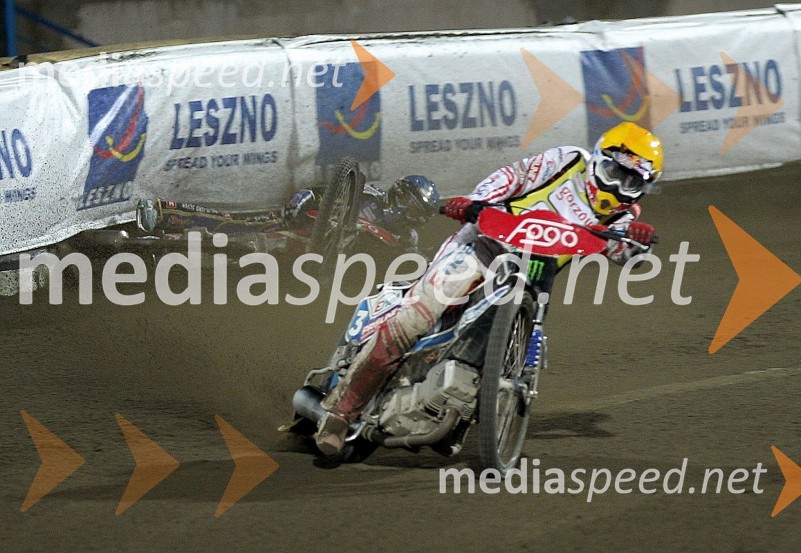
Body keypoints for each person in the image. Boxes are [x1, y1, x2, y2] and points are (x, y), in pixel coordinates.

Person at [315, 121, 664, 456]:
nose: (618, 187)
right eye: (616, 173)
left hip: (533, 276)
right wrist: (477, 201)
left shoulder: (622, 218)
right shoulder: (569, 161)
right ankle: (340, 413)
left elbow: (623, 253)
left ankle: (458, 410)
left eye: (631, 183)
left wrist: (639, 244)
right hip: (481, 247)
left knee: (507, 344)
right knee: (415, 320)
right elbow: (513, 177)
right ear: (600, 158)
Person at [135, 175, 440, 254]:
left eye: (414, 210)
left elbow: (405, 272)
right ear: (395, 191)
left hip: (331, 277)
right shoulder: (367, 193)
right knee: (241, 226)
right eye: (404, 199)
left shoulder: (406, 240)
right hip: (305, 233)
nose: (404, 210)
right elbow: (326, 191)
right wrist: (308, 198)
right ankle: (165, 216)